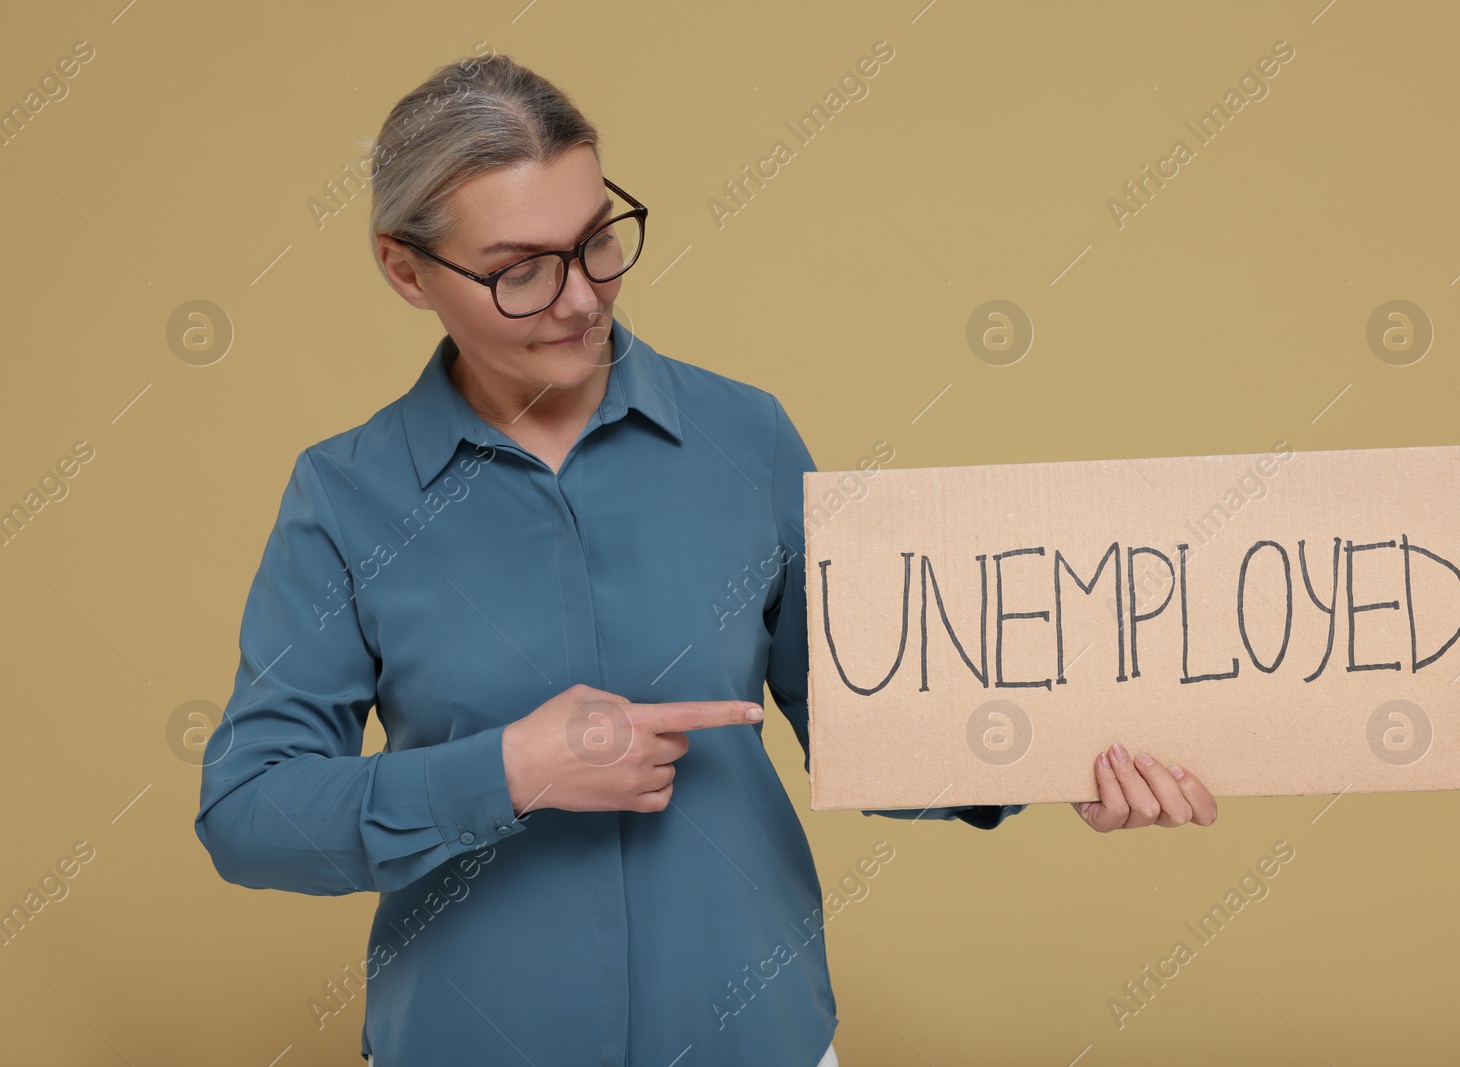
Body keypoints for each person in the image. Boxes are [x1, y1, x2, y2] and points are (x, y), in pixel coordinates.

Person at [193, 53, 1217, 1067]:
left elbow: (869, 720)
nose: (581, 298)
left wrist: (1056, 757)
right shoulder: (344, 494)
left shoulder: (747, 437)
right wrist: (508, 770)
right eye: (521, 270)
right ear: (405, 269)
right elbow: (248, 813)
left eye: (598, 242)